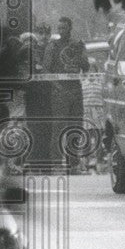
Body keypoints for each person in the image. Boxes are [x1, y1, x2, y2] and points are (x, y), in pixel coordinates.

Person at [42, 16, 90, 170]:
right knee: (58, 127)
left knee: (76, 126)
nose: (61, 31)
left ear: (70, 28)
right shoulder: (53, 46)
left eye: (64, 28)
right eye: (59, 28)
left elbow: (86, 67)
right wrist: (57, 86)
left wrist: (80, 52)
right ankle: (55, 162)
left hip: (75, 89)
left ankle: (73, 162)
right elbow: (45, 70)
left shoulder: (77, 44)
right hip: (59, 92)